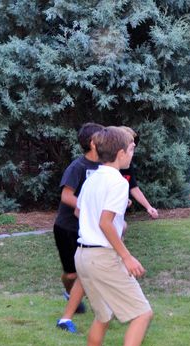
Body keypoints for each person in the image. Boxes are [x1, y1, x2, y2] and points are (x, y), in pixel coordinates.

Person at [75, 126, 153, 346]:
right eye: (131, 149)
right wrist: (127, 257)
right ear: (120, 153)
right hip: (102, 258)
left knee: (103, 315)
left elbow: (79, 211)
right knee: (142, 313)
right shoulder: (119, 182)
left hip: (83, 256)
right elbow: (105, 223)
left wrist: (117, 208)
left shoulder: (92, 178)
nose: (132, 153)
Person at [53, 122, 104, 333]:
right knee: (71, 274)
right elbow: (66, 196)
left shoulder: (105, 167)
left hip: (88, 229)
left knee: (86, 271)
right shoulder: (77, 167)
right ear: (93, 143)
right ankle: (69, 292)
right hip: (67, 227)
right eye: (103, 137)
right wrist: (88, 208)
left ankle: (82, 307)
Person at [118, 127, 159, 219]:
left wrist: (149, 207)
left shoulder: (127, 165)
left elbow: (133, 187)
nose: (133, 145)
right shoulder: (104, 169)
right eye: (130, 144)